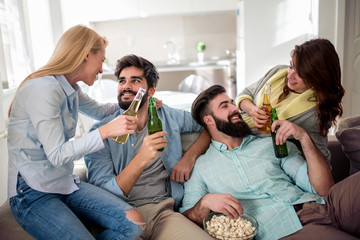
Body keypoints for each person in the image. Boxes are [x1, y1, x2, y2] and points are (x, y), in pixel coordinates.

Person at [7, 25, 144, 240]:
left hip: (64, 182)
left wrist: (137, 102)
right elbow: (57, 155)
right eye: (101, 60)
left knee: (134, 223)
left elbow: (100, 110)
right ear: (86, 55)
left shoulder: (70, 88)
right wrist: (106, 131)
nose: (101, 70)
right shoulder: (44, 89)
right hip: (32, 192)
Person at [180, 85, 360, 240]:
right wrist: (205, 203)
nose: (234, 108)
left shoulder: (269, 143)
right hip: (287, 227)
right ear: (209, 120)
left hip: (325, 204)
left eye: (232, 103)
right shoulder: (202, 168)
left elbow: (323, 189)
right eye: (224, 106)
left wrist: (304, 138)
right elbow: (186, 220)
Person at [84, 54, 213, 240]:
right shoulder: (99, 133)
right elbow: (104, 196)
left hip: (163, 214)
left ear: (151, 91)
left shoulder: (167, 116)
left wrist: (189, 157)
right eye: (122, 81)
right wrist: (142, 158)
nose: (126, 86)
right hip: (122, 218)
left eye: (135, 81)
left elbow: (207, 125)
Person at [236, 38, 345, 163]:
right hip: (232, 131)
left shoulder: (315, 113)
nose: (290, 76)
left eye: (301, 74)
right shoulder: (277, 72)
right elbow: (245, 94)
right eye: (291, 66)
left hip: (251, 151)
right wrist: (252, 110)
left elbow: (321, 158)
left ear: (318, 77)